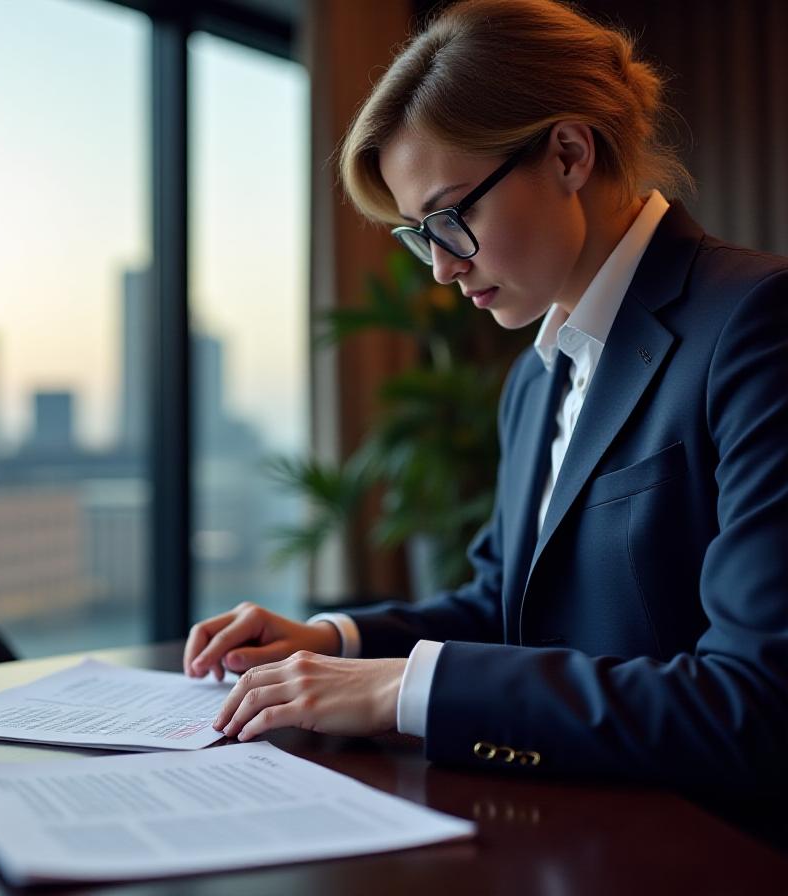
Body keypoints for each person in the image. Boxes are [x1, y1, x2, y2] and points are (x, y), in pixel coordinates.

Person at [185, 0, 788, 797]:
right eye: (420, 233)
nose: (441, 266)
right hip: (565, 825)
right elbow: (507, 609)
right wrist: (336, 641)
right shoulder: (535, 380)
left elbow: (756, 704)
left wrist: (401, 692)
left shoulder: (756, 323)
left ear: (569, 154)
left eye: (453, 215)